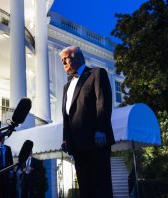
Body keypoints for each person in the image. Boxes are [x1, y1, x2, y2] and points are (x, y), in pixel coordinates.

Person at [60, 46, 115, 198]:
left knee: (101, 186)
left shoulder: (96, 73)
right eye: (61, 60)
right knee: (85, 188)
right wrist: (65, 138)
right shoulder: (66, 86)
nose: (63, 63)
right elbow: (66, 115)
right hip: (77, 145)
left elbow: (103, 102)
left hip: (96, 140)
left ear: (77, 57)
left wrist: (101, 129)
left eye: (66, 59)